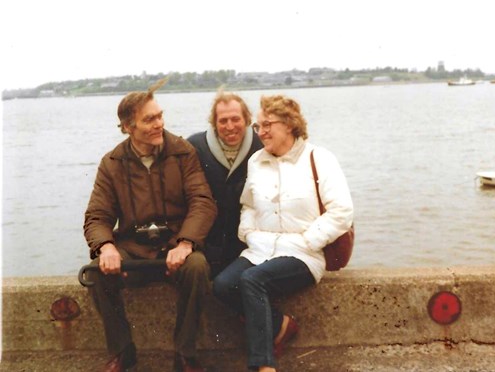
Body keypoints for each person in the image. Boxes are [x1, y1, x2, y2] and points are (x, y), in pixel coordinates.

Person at [84, 79, 217, 372]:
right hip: (133, 250)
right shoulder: (112, 162)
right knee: (95, 273)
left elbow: (202, 202)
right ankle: (122, 350)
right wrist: (106, 247)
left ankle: (184, 354)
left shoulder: (183, 152)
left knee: (197, 268)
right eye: (149, 119)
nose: (159, 124)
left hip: (175, 246)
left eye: (160, 116)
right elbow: (97, 215)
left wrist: (186, 243)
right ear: (128, 127)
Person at [212, 95, 354, 372]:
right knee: (222, 285)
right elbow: (249, 205)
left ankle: (263, 365)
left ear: (289, 125)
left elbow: (342, 211)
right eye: (258, 126)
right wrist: (249, 232)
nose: (260, 132)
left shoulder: (319, 158)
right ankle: (281, 325)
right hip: (260, 250)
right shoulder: (256, 161)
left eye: (267, 125)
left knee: (253, 280)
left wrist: (309, 240)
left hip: (303, 253)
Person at [188, 88, 263, 277]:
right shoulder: (195, 147)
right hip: (209, 242)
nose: (230, 126)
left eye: (236, 119)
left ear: (247, 119)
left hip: (250, 243)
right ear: (214, 123)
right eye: (223, 121)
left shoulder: (262, 145)